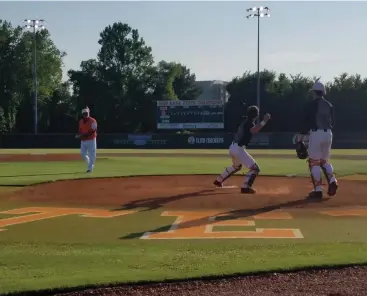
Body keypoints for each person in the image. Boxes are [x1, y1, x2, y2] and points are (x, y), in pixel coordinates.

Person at [214, 106, 271, 193]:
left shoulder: (245, 121)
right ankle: (245, 187)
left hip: (233, 147)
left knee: (236, 167)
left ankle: (218, 180)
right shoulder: (249, 123)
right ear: (256, 115)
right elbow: (254, 130)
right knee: (255, 168)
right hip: (239, 148)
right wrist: (264, 121)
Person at [298, 80, 338, 199]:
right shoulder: (330, 105)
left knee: (313, 162)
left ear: (314, 92)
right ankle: (332, 180)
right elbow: (333, 122)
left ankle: (318, 190)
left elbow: (306, 121)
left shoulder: (311, 105)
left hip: (316, 133)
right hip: (329, 133)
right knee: (324, 161)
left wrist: (301, 136)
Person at [75, 107, 97, 173]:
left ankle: (89, 169)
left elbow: (93, 131)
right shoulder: (81, 121)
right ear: (82, 114)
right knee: (83, 154)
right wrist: (78, 135)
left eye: (86, 113)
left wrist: (83, 135)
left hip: (91, 140)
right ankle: (90, 165)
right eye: (84, 113)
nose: (85, 114)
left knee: (92, 154)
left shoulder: (93, 121)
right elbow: (80, 130)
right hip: (83, 141)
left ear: (88, 113)